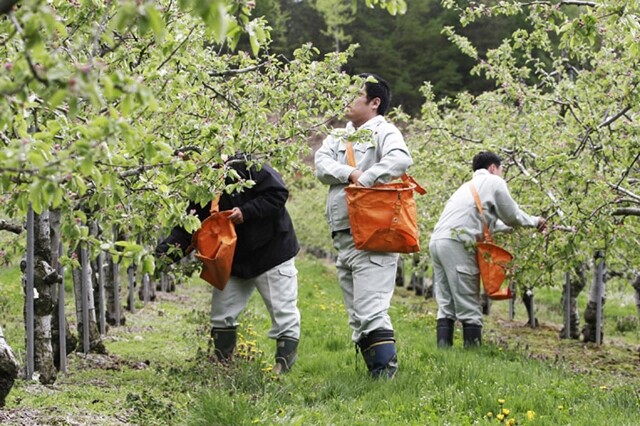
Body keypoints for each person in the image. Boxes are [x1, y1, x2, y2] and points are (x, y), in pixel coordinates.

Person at [156, 154, 301, 374]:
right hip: (232, 259)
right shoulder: (202, 186)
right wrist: (160, 257)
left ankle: (282, 368)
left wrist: (247, 212)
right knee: (222, 314)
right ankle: (224, 367)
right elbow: (188, 227)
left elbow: (277, 193)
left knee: (283, 311)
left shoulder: (247, 165)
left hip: (272, 251)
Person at [314, 74, 413, 378]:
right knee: (357, 314)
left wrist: (366, 180)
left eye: (355, 95)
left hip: (373, 232)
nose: (347, 99)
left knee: (370, 311)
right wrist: (350, 173)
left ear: (374, 102)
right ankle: (374, 374)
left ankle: (385, 378)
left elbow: (400, 159)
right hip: (345, 235)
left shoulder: (384, 130)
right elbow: (320, 164)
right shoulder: (338, 135)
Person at [429, 151, 546, 348]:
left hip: (439, 241)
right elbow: (512, 215)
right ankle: (473, 356)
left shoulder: (466, 187)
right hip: (459, 243)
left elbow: (488, 220)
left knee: (447, 302)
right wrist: (535, 221)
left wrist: (510, 228)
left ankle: (443, 352)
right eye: (501, 170)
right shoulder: (494, 182)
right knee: (469, 302)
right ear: (493, 168)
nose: (502, 175)